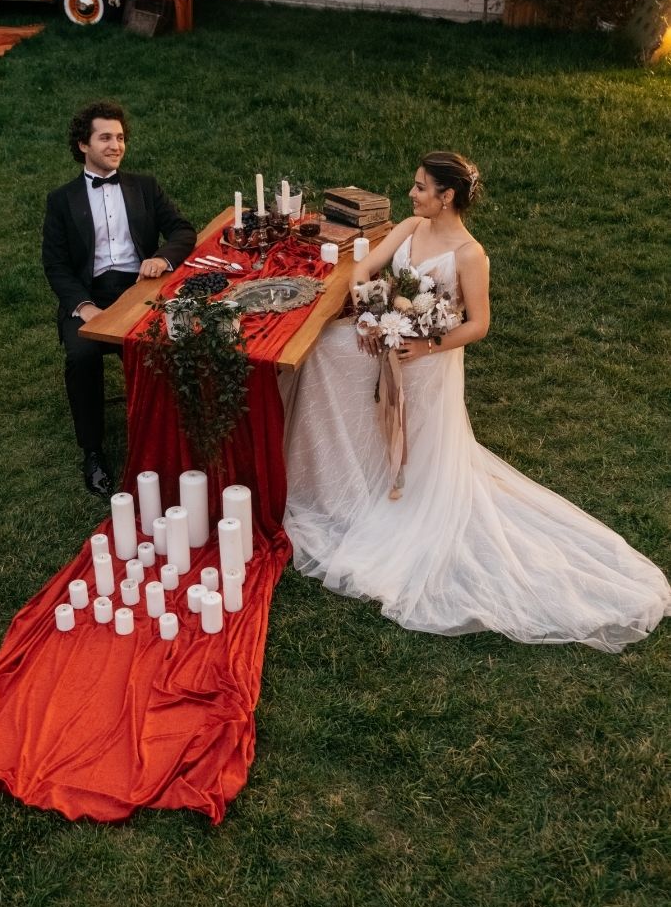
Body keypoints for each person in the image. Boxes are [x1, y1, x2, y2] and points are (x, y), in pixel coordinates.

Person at [283, 152, 670, 652]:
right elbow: (365, 268)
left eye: (420, 188)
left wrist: (425, 345)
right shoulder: (409, 227)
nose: (411, 194)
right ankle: (336, 473)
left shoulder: (470, 254)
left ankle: (396, 486)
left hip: (428, 359)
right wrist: (369, 312)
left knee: (408, 423)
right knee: (323, 352)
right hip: (387, 337)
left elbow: (479, 325)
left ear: (446, 196)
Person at [42, 100, 196, 495]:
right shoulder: (62, 200)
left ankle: (169, 437)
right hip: (88, 295)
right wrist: (84, 308)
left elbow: (182, 230)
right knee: (82, 357)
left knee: (164, 345)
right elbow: (56, 265)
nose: (116, 145)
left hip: (139, 289)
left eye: (121, 137)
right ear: (83, 145)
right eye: (105, 138)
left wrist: (161, 258)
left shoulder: (144, 186)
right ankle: (92, 450)